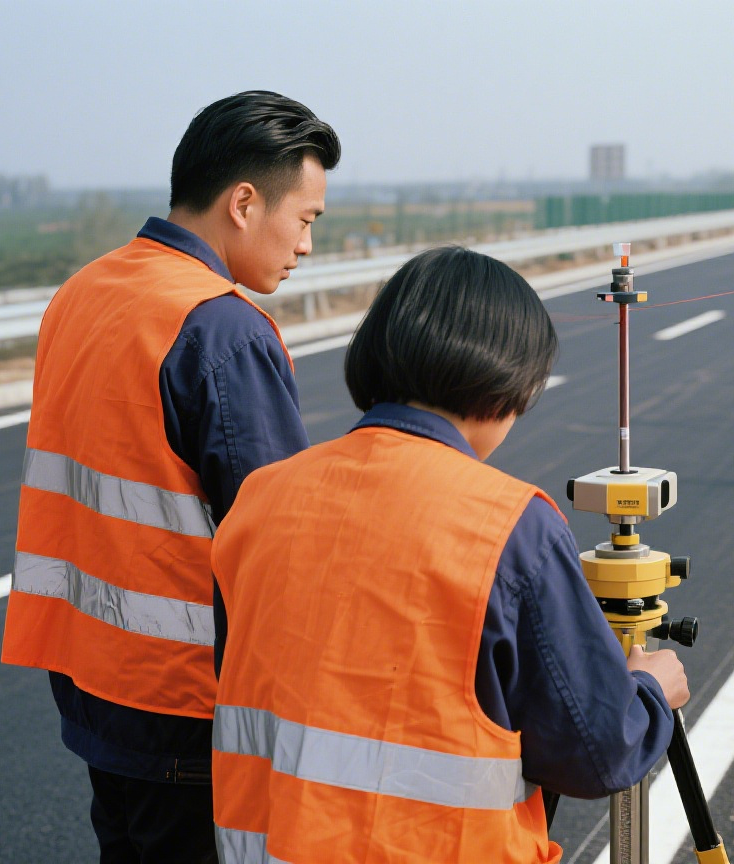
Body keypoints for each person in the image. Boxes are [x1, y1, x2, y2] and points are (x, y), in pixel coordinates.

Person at [209, 246, 689, 863]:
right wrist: (648, 693)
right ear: (505, 384)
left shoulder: (262, 495)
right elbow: (597, 753)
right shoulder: (510, 525)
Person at [1, 91, 340, 863]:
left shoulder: (85, 289)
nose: (308, 245)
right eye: (308, 218)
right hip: (186, 696)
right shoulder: (220, 328)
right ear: (245, 203)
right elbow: (278, 538)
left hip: (92, 676)